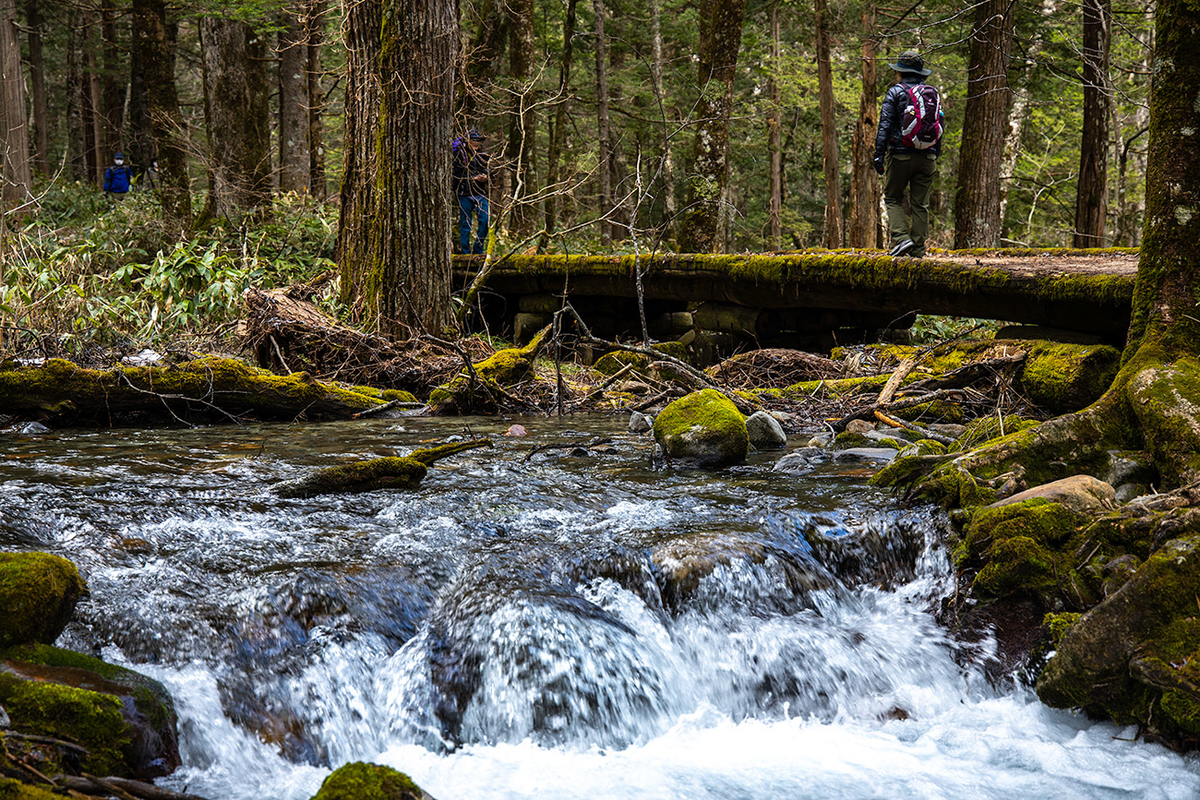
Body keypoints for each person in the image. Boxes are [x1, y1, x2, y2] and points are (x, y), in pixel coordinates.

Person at [873, 51, 943, 258]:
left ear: (901, 73)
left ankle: (903, 239)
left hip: (901, 154)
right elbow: (940, 125)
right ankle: (919, 250)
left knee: (893, 197)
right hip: (928, 155)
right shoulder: (933, 93)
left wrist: (879, 155)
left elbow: (885, 125)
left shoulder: (895, 92)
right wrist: (934, 155)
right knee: (920, 204)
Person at [452, 130, 491, 255]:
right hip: (464, 194)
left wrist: (486, 176)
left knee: (485, 221)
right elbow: (456, 174)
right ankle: (465, 253)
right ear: (467, 141)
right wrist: (471, 178)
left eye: (478, 141)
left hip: (479, 193)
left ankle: (478, 250)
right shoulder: (460, 156)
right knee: (465, 224)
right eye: (474, 140)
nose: (476, 143)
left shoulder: (483, 155)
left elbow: (489, 170)